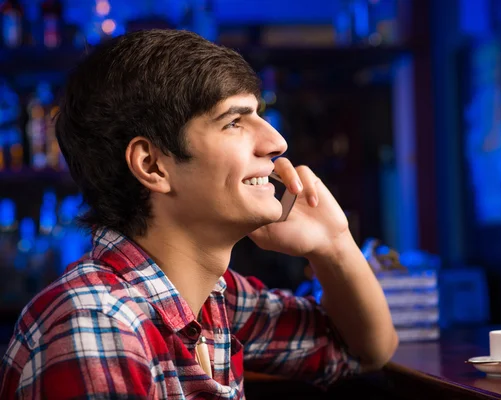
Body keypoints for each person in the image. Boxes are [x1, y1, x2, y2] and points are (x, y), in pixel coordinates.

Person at [0, 29, 397, 398]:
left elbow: (363, 350)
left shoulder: (211, 298)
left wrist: (334, 244)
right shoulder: (97, 325)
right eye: (234, 122)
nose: (276, 141)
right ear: (152, 165)